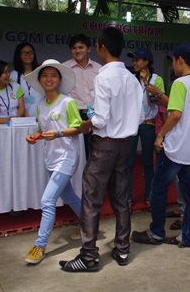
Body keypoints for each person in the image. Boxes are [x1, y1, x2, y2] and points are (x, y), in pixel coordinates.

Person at [59, 27, 141, 272]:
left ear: (101, 48)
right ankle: (122, 249)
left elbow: (100, 119)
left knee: (92, 199)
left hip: (104, 145)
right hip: (125, 145)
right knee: (120, 198)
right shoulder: (131, 78)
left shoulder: (103, 77)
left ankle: (89, 255)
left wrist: (86, 124)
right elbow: (139, 115)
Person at [132, 43, 190, 248]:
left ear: (180, 60)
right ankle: (188, 237)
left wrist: (161, 135)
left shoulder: (180, 83)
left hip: (175, 149)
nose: (173, 65)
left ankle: (156, 233)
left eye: (173, 61)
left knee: (157, 189)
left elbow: (175, 114)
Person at [23, 59, 82, 264]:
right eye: (45, 75)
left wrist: (57, 133)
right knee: (70, 197)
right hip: (51, 157)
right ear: (40, 80)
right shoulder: (40, 106)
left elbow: (79, 128)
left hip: (67, 157)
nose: (49, 79)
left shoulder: (68, 102)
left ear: (59, 80)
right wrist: (35, 136)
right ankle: (89, 224)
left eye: (53, 75)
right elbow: (42, 129)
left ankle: (39, 245)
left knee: (47, 201)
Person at [126, 48, 166, 211]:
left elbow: (156, 101)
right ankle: (128, 197)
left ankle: (149, 195)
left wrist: (145, 83)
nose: (134, 63)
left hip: (149, 125)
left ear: (147, 62)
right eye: (133, 60)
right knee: (128, 163)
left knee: (148, 162)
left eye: (137, 60)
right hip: (132, 125)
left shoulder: (157, 80)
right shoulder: (130, 79)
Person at [62, 34, 102, 158]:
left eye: (81, 47)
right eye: (74, 48)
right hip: (74, 114)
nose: (77, 51)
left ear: (89, 48)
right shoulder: (64, 68)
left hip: (95, 114)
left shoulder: (99, 69)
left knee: (95, 151)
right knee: (76, 151)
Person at [10, 42, 43, 118]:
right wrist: (26, 116)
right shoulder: (14, 75)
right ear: (18, 55)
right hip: (23, 117)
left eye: (31, 52)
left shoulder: (40, 72)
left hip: (41, 115)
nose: (28, 54)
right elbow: (13, 99)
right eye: (24, 52)